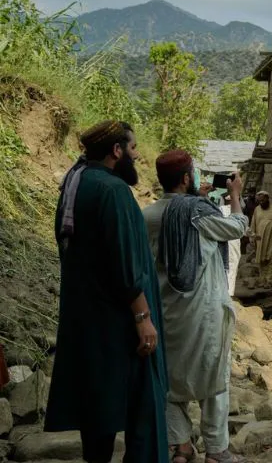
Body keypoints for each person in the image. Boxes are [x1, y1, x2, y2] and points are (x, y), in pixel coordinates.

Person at [46, 120, 169, 463]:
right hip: (120, 322)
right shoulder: (112, 191)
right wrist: (143, 317)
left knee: (98, 409)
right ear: (117, 151)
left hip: (89, 318)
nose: (134, 155)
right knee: (144, 407)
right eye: (132, 149)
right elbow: (125, 263)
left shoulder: (76, 182)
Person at [142, 150, 248, 463]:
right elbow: (238, 225)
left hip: (165, 311)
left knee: (171, 378)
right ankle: (216, 450)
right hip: (204, 314)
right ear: (187, 178)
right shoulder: (200, 213)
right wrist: (235, 194)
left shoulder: (147, 216)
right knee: (213, 376)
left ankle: (181, 446)